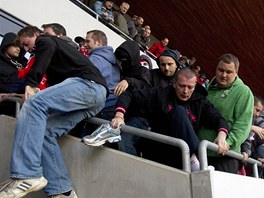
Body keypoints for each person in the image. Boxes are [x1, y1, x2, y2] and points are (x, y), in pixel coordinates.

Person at [0, 26, 109, 198]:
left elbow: (46, 50)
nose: (28, 50)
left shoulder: (45, 40)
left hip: (89, 86)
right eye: (25, 49)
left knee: (34, 102)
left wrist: (32, 82)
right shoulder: (56, 63)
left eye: (26, 44)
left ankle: (27, 174)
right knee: (45, 131)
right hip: (94, 98)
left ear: (35, 35)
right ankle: (62, 190)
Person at [84, 68, 229, 171]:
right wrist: (119, 115)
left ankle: (195, 161)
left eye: (190, 87)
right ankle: (197, 160)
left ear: (195, 86)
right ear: (174, 84)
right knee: (178, 111)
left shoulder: (200, 100)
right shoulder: (160, 93)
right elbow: (130, 95)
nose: (185, 91)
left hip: (181, 154)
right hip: (159, 147)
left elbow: (218, 119)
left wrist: (222, 135)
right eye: (182, 86)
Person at [198, 53, 254, 174]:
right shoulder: (211, 86)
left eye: (228, 72)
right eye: (220, 70)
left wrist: (227, 144)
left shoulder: (243, 92)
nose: (223, 75)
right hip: (202, 151)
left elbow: (242, 126)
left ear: (236, 72)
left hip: (225, 155)